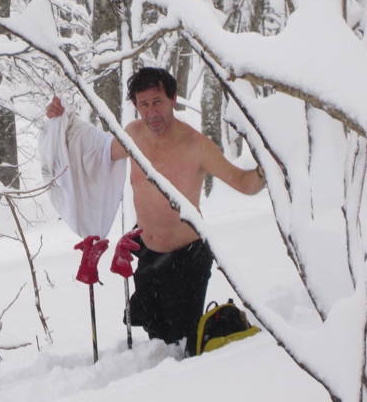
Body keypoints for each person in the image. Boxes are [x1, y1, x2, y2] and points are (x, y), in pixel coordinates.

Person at [46, 67, 266, 355]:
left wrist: (268, 167)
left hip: (188, 257)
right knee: (157, 336)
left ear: (173, 99)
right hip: (148, 253)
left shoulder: (196, 145)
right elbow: (95, 153)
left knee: (183, 344)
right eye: (144, 104)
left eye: (158, 101)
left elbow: (243, 182)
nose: (151, 112)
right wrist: (61, 123)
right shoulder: (134, 134)